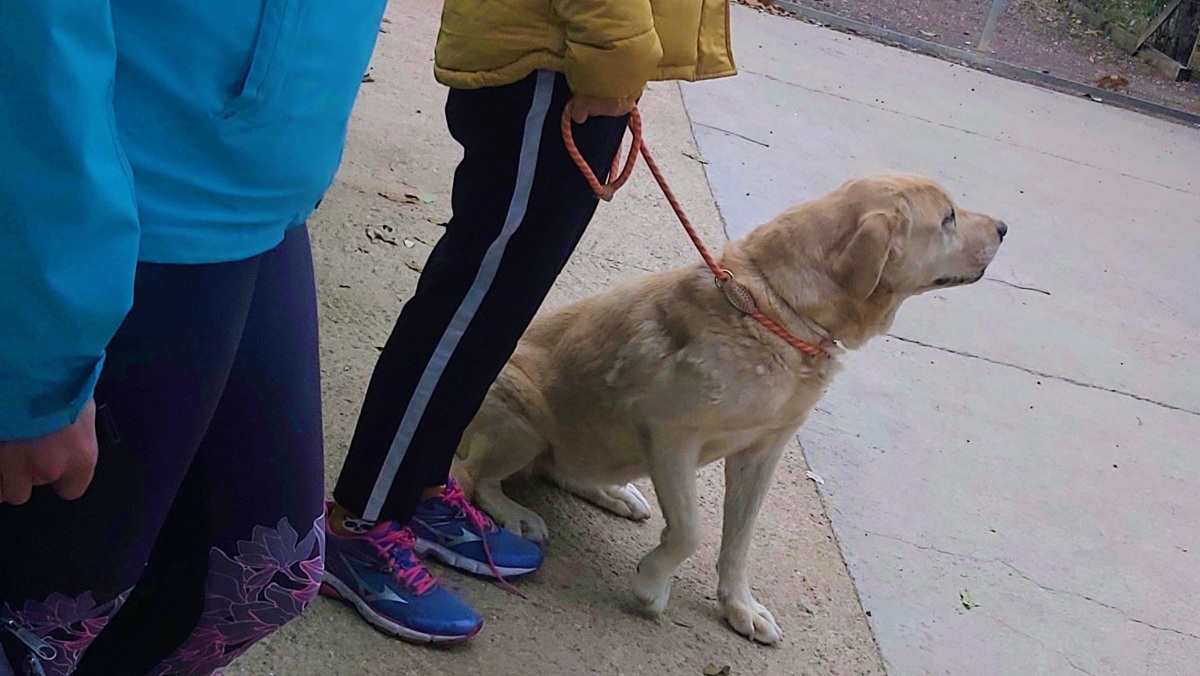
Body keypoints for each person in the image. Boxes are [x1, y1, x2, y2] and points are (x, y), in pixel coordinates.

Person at [320, 0, 738, 644]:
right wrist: (615, 58)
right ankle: (360, 523)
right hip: (557, 65)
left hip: (573, 62)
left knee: (496, 313)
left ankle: (422, 482)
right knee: (465, 310)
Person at [0, 0, 386, 673]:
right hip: (96, 173)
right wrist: (30, 355)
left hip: (264, 165)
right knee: (37, 631)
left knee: (260, 580)